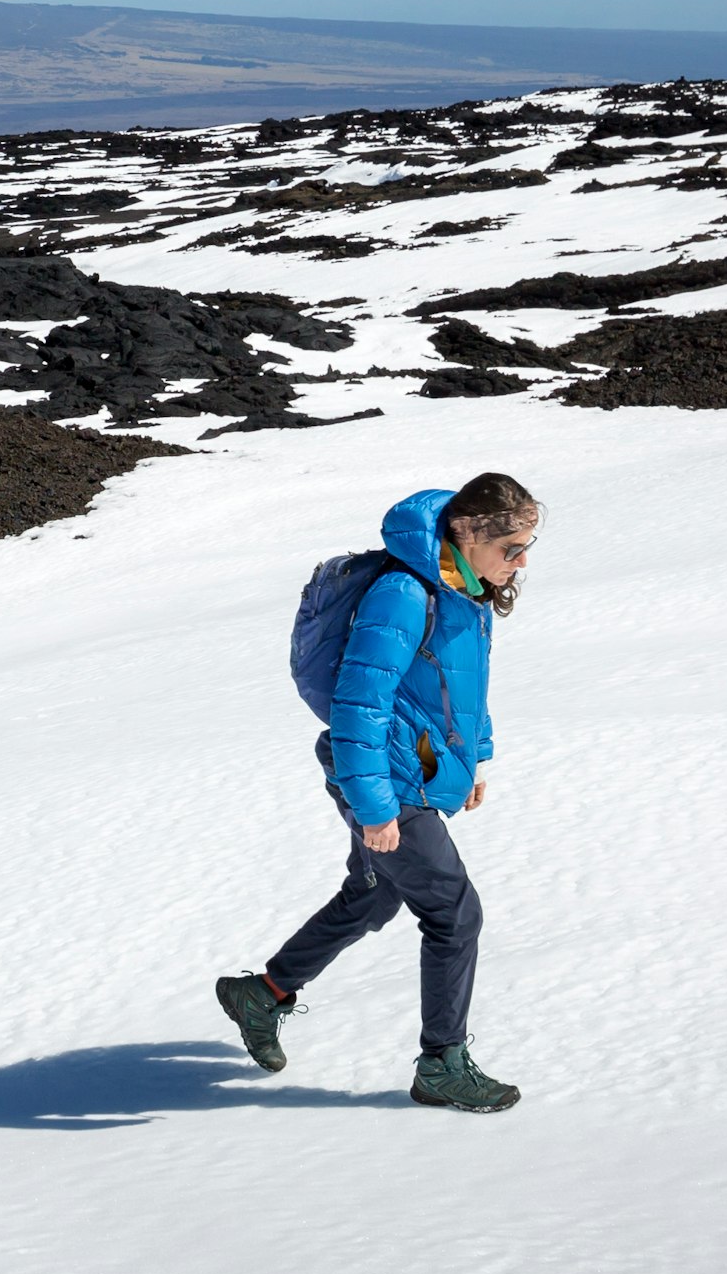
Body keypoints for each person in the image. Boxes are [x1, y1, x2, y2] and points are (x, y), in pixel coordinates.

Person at [217, 474, 541, 1112]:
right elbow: (358, 704)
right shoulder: (401, 594)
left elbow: (460, 688)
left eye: (528, 546)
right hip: (385, 778)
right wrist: (376, 808)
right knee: (453, 912)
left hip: (411, 769)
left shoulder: (464, 590)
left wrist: (475, 758)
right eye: (511, 547)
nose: (522, 560)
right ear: (466, 533)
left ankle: (263, 994)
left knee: (372, 897)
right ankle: (442, 1064)